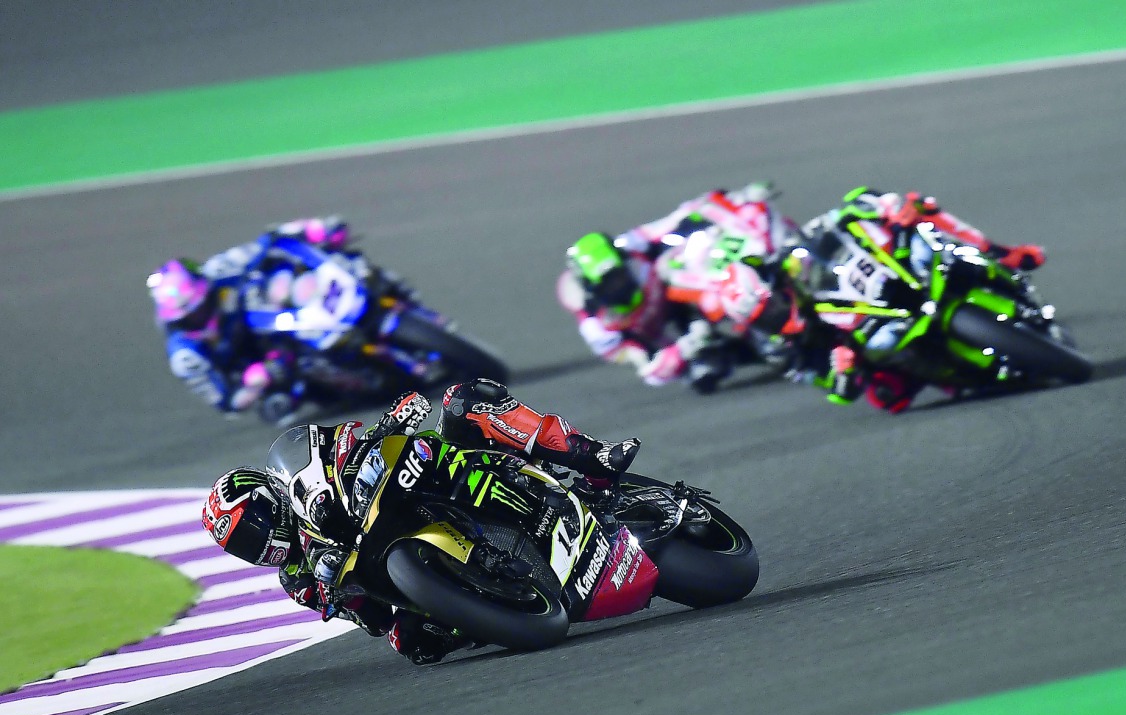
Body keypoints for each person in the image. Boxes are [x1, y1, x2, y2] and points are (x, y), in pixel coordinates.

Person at [201, 378, 641, 665]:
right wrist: (346, 597)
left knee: (465, 399)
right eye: (243, 544)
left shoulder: (313, 486)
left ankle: (592, 457)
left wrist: (389, 423)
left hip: (439, 474)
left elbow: (344, 444)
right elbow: (372, 619)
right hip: (397, 561)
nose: (258, 544)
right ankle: (504, 597)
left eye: (252, 527)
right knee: (413, 644)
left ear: (270, 497)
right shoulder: (297, 577)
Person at [794, 187, 1049, 412]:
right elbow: (838, 391)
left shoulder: (848, 218)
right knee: (886, 395)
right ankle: (969, 372)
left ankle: (1004, 256)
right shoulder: (808, 323)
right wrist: (844, 370)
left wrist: (895, 209)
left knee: (926, 211)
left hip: (905, 270)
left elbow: (872, 199)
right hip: (889, 322)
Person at [147, 216, 411, 419]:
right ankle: (357, 379)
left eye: (201, 307)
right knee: (278, 407)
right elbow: (227, 402)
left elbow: (269, 241)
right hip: (262, 364)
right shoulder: (186, 357)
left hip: (272, 315)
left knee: (344, 263)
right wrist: (253, 386)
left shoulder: (219, 269)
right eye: (190, 317)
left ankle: (399, 297)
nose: (199, 317)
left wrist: (314, 229)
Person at [559, 182, 811, 392]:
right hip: (676, 336)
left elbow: (679, 218)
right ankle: (766, 349)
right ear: (592, 288)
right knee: (704, 371)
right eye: (609, 283)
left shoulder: (632, 246)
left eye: (620, 275)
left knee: (695, 258)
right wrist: (681, 349)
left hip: (685, 296)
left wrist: (735, 200)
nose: (620, 284)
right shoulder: (598, 328)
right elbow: (648, 370)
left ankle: (769, 286)